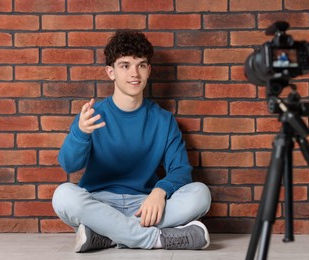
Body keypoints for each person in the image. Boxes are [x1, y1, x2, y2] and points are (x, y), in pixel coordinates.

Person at [52, 30, 212, 253]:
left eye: (141, 65)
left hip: (145, 206)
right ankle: (156, 239)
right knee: (63, 195)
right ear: (111, 72)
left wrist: (160, 191)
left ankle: (105, 236)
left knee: (200, 194)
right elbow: (69, 165)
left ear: (149, 71)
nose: (134, 73)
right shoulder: (91, 115)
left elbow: (181, 169)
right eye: (125, 65)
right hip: (99, 204)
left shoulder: (163, 120)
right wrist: (80, 133)